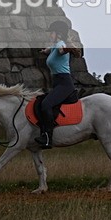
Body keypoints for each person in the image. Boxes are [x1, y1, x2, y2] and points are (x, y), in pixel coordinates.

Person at [35, 21, 78, 149]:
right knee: (41, 101)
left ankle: (48, 138)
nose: (50, 35)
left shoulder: (60, 45)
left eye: (51, 33)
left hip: (64, 84)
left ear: (58, 34)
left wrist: (69, 49)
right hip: (58, 83)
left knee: (46, 104)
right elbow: (50, 50)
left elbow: (61, 50)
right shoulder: (54, 46)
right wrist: (44, 51)